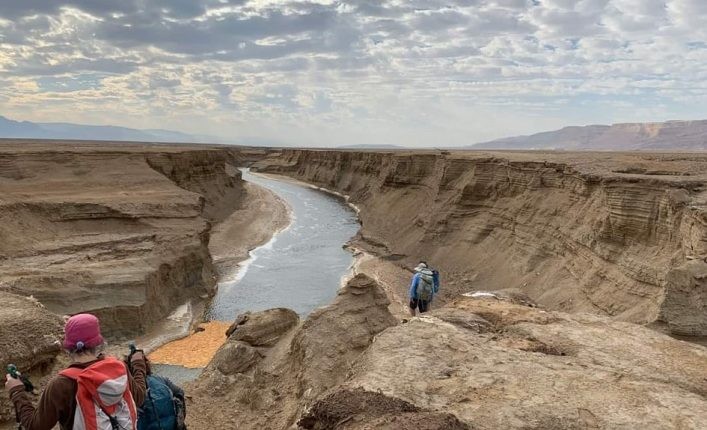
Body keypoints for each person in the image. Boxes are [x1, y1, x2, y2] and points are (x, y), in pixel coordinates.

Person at [5, 313, 147, 430]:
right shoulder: (118, 369)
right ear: (99, 343)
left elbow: (34, 426)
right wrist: (138, 363)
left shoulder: (61, 384)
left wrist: (17, 391)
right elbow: (139, 397)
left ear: (67, 347)